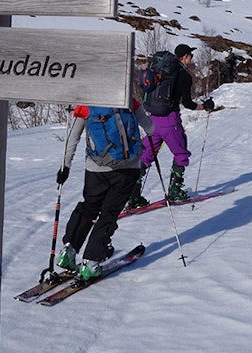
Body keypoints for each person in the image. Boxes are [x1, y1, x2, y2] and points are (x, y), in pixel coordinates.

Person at [55, 99, 154, 281]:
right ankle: (90, 261)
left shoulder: (86, 103)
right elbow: (150, 128)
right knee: (109, 213)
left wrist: (65, 166)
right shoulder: (127, 99)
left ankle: (69, 250)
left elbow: (73, 137)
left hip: (96, 167)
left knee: (89, 207)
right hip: (128, 167)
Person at [138, 43, 215, 203]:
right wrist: (204, 106)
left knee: (146, 156)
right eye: (191, 56)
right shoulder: (183, 75)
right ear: (185, 56)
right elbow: (188, 104)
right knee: (180, 154)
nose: (191, 59)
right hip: (169, 120)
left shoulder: (160, 70)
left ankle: (133, 195)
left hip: (152, 120)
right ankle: (174, 191)